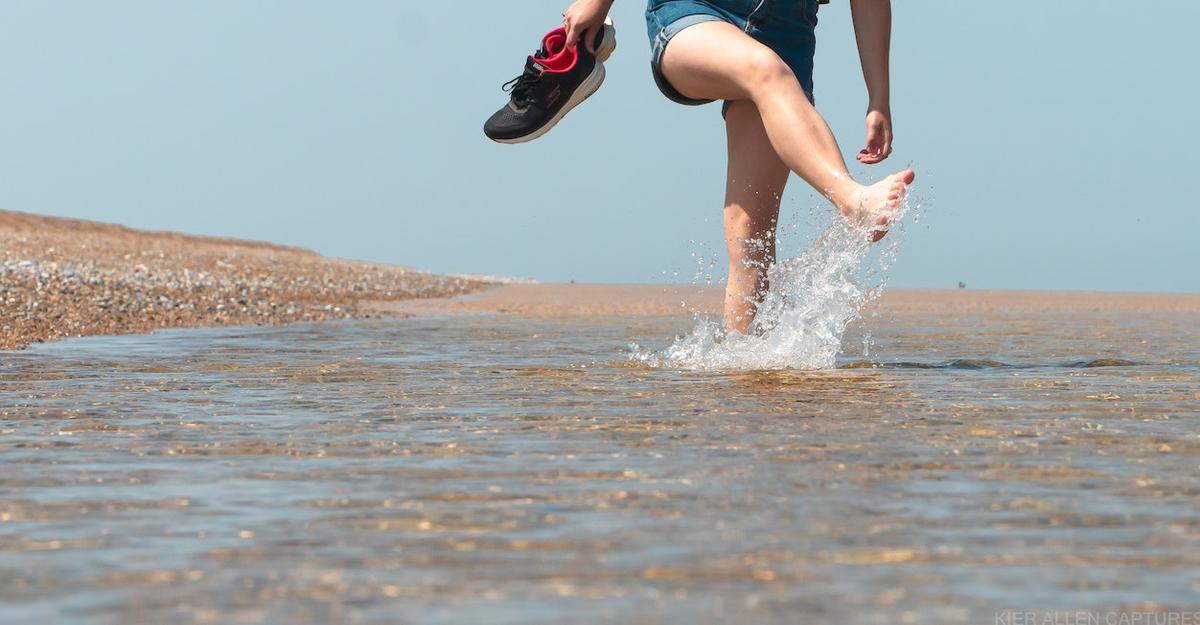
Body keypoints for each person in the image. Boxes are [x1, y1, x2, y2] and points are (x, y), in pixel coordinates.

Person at [562, 0, 915, 334]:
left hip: (786, 30)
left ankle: (746, 372)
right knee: (766, 70)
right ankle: (853, 201)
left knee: (752, 237)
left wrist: (878, 99)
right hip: (695, 13)